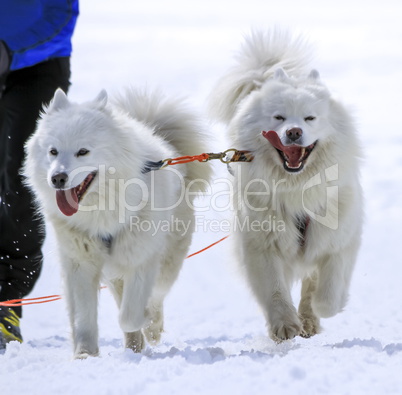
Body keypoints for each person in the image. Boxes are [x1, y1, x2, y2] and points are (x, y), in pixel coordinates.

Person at [0, 0, 79, 349]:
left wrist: (7, 48)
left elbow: (60, 11)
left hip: (37, 66)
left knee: (20, 180)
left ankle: (6, 303)